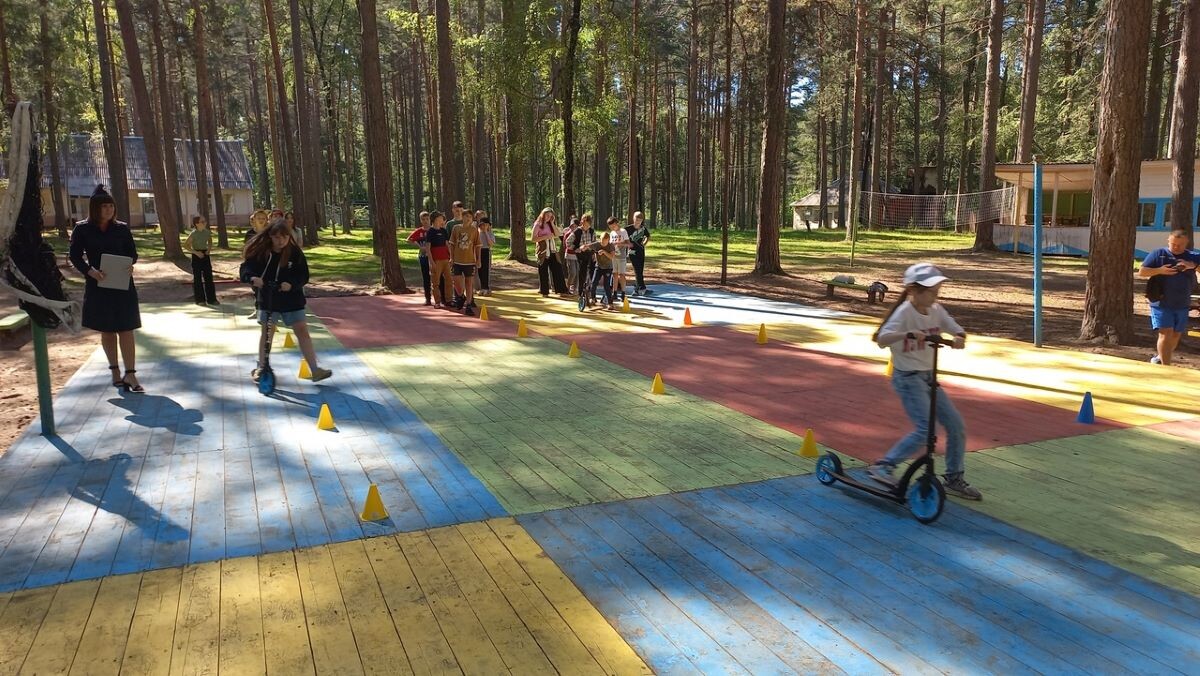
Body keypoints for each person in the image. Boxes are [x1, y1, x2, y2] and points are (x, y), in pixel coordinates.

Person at [866, 262, 981, 500]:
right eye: (931, 291)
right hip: (907, 378)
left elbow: (954, 327)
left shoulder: (936, 310)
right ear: (913, 291)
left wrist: (959, 336)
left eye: (937, 290)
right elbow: (883, 339)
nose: (935, 295)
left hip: (928, 377)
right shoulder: (904, 313)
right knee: (925, 429)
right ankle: (884, 466)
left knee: (956, 425)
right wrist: (907, 334)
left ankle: (953, 477)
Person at [68, 184, 145, 392]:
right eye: (104, 206)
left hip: (122, 285)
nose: (109, 209)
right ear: (95, 208)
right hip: (98, 285)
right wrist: (90, 271)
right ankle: (115, 371)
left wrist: (130, 264)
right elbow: (75, 256)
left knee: (126, 328)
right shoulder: (82, 229)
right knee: (108, 329)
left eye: (111, 206)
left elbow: (132, 253)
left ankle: (131, 374)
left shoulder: (122, 228)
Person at [240, 218, 331, 382]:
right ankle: (262, 367)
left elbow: (303, 275)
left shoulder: (295, 253)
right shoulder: (262, 252)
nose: (280, 241)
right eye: (276, 237)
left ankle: (315, 369)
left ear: (289, 237)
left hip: (291, 298)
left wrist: (292, 284)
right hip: (268, 298)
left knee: (302, 330)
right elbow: (246, 267)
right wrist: (252, 278)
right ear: (270, 236)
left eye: (284, 237)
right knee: (267, 333)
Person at [1140, 229, 1200, 365]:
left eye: (1180, 245)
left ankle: (1159, 358)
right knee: (1165, 332)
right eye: (1173, 244)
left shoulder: (1193, 256)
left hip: (1182, 302)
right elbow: (1142, 271)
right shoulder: (1158, 254)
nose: (1176, 247)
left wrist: (1193, 266)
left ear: (1186, 243)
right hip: (1160, 301)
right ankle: (1166, 366)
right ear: (1168, 241)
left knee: (1176, 334)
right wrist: (1160, 270)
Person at [449, 209, 481, 315]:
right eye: (466, 216)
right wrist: (451, 257)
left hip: (469, 261)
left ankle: (468, 305)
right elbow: (452, 244)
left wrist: (478, 259)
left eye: (470, 217)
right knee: (456, 281)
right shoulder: (456, 228)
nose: (468, 219)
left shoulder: (474, 230)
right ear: (462, 217)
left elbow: (477, 246)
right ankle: (461, 296)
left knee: (469, 283)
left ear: (472, 219)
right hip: (457, 260)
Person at [532, 207, 568, 297]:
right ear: (543, 214)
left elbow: (557, 234)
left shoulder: (550, 224)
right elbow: (533, 238)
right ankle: (544, 291)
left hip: (552, 249)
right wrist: (545, 237)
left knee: (558, 269)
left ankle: (561, 290)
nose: (548, 217)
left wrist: (552, 223)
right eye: (547, 215)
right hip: (543, 250)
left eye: (550, 216)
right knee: (543, 271)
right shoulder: (538, 224)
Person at [184, 216, 219, 306]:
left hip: (205, 254)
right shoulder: (193, 234)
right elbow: (186, 245)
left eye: (205, 221)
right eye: (202, 222)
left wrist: (208, 249)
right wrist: (196, 253)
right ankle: (200, 300)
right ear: (197, 224)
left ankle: (212, 299)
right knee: (198, 278)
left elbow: (210, 241)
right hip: (196, 255)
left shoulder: (206, 232)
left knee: (209, 277)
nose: (204, 223)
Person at [426, 211, 454, 308]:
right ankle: (437, 301)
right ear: (435, 219)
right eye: (441, 218)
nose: (442, 219)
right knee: (435, 282)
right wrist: (431, 262)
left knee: (449, 280)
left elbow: (447, 244)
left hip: (445, 259)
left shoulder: (443, 230)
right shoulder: (430, 232)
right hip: (436, 260)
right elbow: (428, 248)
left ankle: (449, 300)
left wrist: (451, 257)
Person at [570, 213, 599, 304]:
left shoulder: (592, 231)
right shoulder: (577, 232)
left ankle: (592, 294)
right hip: (581, 255)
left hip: (590, 253)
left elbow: (595, 243)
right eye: (585, 223)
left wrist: (594, 253)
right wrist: (576, 249)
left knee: (592, 274)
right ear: (582, 222)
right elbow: (568, 242)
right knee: (582, 273)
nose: (586, 226)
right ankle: (581, 294)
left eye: (588, 224)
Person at [407, 211, 433, 305]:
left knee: (437, 277)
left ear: (430, 219)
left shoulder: (433, 230)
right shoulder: (419, 231)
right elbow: (409, 239)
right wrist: (419, 246)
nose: (425, 221)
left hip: (434, 257)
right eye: (423, 219)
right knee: (426, 277)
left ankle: (440, 298)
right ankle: (428, 298)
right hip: (423, 256)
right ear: (421, 220)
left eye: (427, 219)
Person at [625, 211, 652, 295]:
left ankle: (637, 288)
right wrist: (628, 244)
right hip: (632, 252)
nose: (638, 222)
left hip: (641, 251)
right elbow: (623, 238)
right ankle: (642, 288)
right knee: (637, 270)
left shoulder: (643, 229)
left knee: (640, 270)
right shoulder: (628, 229)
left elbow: (648, 236)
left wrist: (644, 243)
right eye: (636, 220)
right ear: (633, 219)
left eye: (640, 220)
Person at [592, 230, 617, 310]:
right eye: (602, 241)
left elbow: (612, 256)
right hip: (598, 266)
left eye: (605, 241)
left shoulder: (611, 246)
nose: (603, 243)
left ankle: (610, 303)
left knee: (606, 285)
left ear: (608, 240)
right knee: (594, 282)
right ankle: (593, 298)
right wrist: (583, 247)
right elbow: (588, 246)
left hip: (608, 268)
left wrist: (604, 252)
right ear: (600, 239)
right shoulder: (597, 244)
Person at [607, 216, 630, 302]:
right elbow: (610, 244)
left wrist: (620, 244)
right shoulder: (612, 233)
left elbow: (628, 244)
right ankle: (615, 292)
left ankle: (623, 293)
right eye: (610, 227)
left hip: (621, 257)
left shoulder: (623, 231)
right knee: (614, 274)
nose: (612, 228)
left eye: (613, 226)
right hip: (614, 256)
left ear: (616, 223)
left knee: (622, 275)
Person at [561, 217, 580, 295]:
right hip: (570, 255)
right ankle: (567, 287)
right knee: (573, 272)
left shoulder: (580, 233)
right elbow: (565, 245)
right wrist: (574, 248)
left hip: (578, 256)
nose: (573, 227)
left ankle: (575, 288)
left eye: (575, 226)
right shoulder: (568, 234)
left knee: (578, 272)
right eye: (572, 226)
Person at [478, 216, 495, 296]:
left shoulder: (490, 233)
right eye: (482, 225)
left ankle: (486, 288)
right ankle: (481, 287)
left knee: (485, 270)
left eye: (486, 225)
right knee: (479, 270)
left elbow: (491, 244)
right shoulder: (477, 233)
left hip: (486, 251)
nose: (484, 226)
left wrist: (486, 233)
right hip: (478, 251)